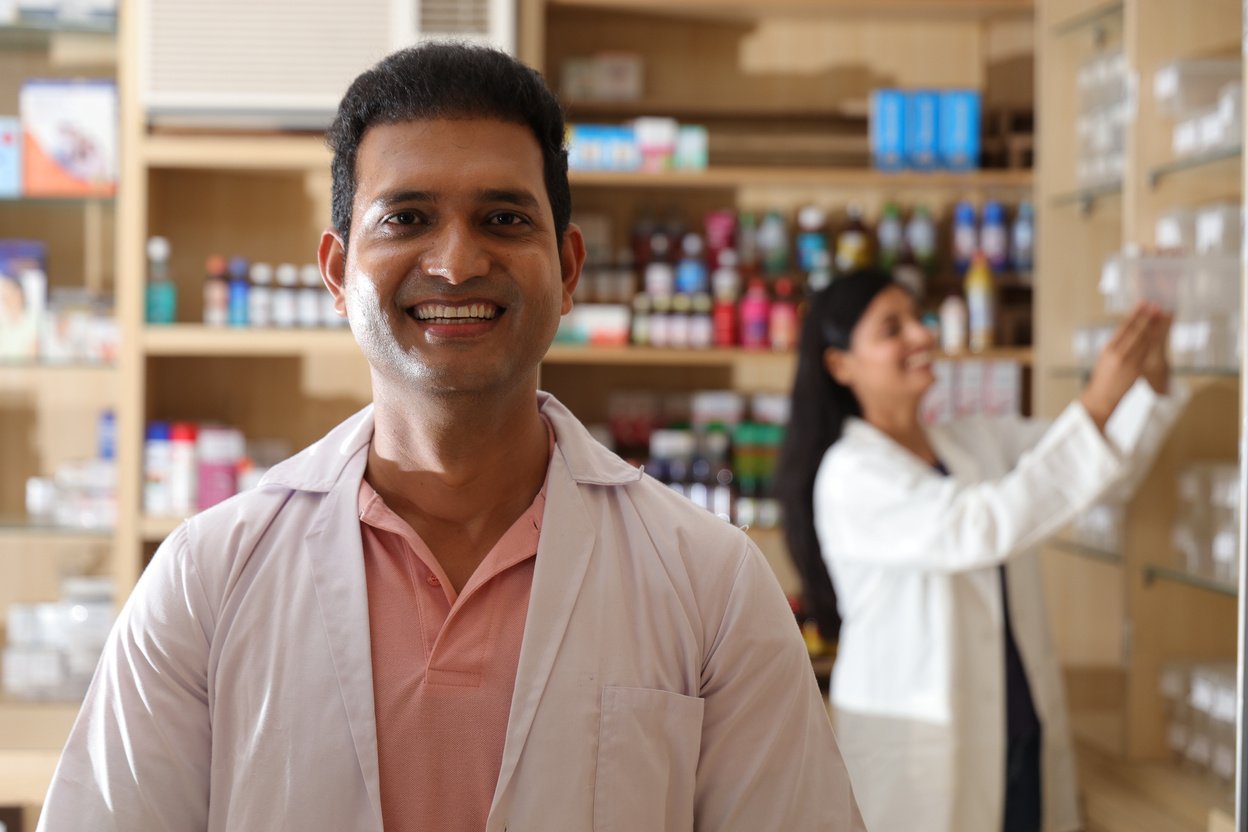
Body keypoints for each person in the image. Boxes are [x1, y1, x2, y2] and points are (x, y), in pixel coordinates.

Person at [37, 43, 865, 832]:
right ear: (336, 272)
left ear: (569, 269)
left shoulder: (710, 584)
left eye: (504, 218)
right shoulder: (206, 579)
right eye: (407, 218)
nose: (458, 261)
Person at [776, 269, 1186, 832]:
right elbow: (981, 526)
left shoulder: (973, 440)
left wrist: (1150, 382)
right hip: (924, 746)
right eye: (891, 328)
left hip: (1018, 734)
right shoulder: (851, 474)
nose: (921, 336)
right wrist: (1098, 399)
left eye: (917, 319)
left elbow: (1099, 473)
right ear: (840, 364)